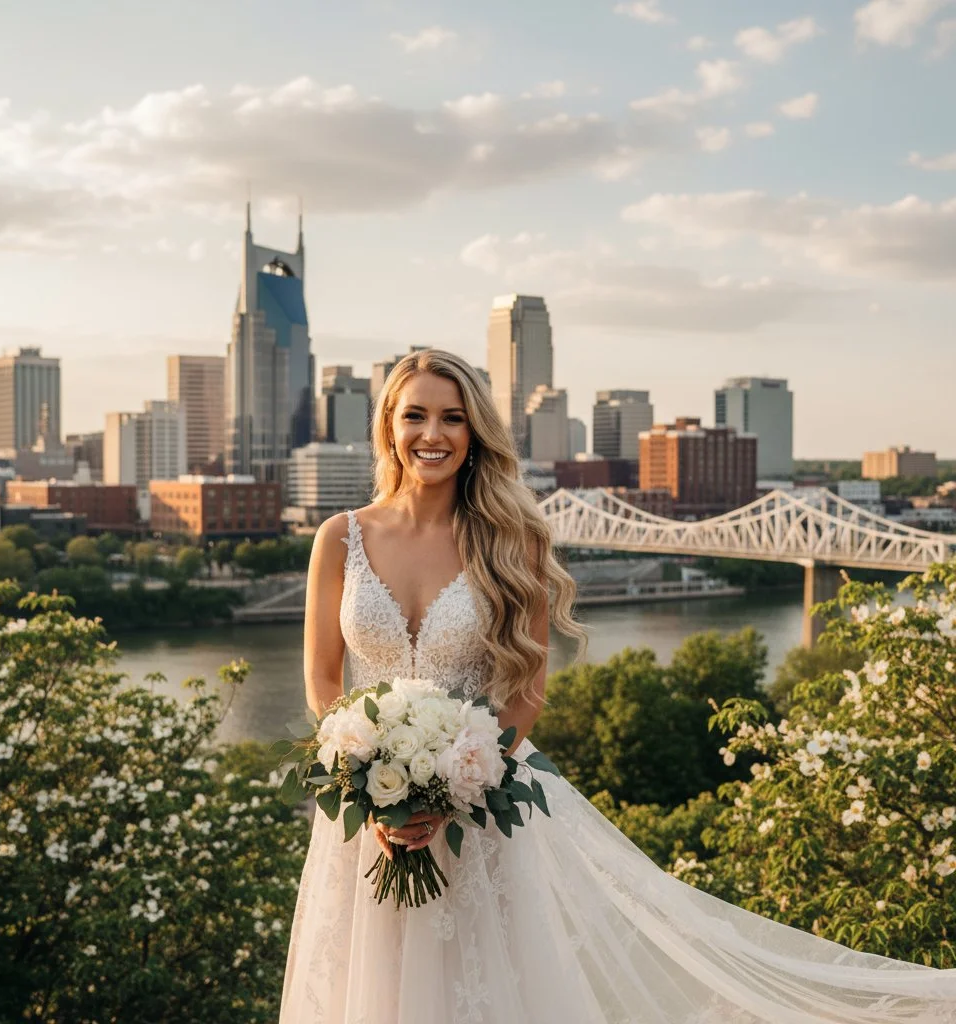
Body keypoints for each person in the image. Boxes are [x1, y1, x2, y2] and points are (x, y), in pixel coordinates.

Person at [279, 349, 956, 1022]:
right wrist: (367, 778)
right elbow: (320, 679)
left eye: (453, 418)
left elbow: (528, 693)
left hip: (477, 818)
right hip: (368, 820)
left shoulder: (515, 540)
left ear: (474, 433)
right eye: (416, 415)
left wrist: (452, 789)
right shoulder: (340, 538)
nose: (433, 434)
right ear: (388, 426)